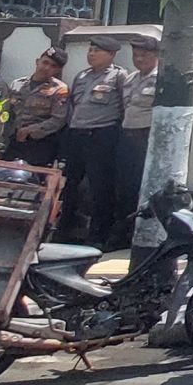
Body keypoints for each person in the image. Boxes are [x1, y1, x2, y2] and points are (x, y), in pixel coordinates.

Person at [63, 36, 131, 246]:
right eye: (90, 49)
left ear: (111, 55)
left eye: (97, 50)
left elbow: (124, 106)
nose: (91, 54)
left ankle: (99, 236)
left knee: (100, 188)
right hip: (77, 134)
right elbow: (74, 104)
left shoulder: (119, 76)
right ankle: (65, 229)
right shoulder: (81, 76)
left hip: (102, 135)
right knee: (69, 184)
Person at [112, 37, 160, 245]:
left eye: (144, 55)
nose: (139, 59)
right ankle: (123, 234)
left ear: (157, 56)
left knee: (145, 186)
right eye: (136, 55)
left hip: (146, 137)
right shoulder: (130, 79)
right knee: (125, 186)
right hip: (127, 135)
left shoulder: (161, 79)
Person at [1, 49, 70, 167]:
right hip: (15, 140)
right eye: (45, 63)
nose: (47, 68)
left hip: (41, 143)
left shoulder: (60, 89)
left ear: (58, 70)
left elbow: (58, 120)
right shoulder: (17, 84)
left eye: (53, 66)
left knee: (34, 180)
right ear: (37, 61)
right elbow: (7, 114)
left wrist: (29, 130)